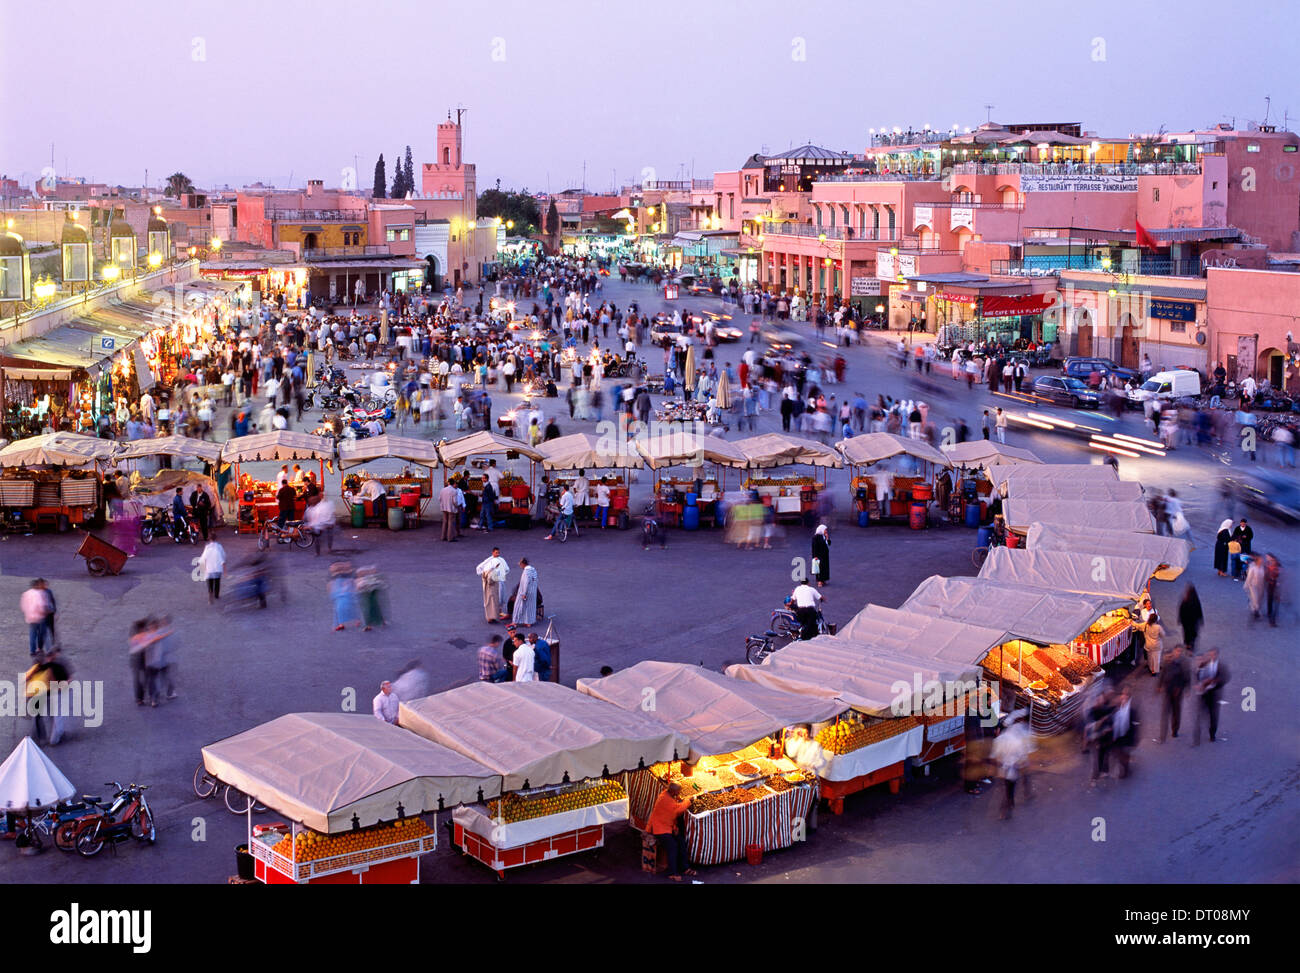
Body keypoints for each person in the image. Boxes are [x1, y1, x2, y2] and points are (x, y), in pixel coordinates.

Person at [646, 782, 696, 881]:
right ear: (673, 791)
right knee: (672, 846)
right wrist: (688, 801)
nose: (679, 793)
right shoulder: (665, 799)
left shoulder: (667, 794)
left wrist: (674, 828)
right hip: (659, 828)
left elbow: (671, 814)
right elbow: (678, 810)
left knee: (681, 841)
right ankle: (672, 873)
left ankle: (685, 868)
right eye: (678, 792)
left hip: (668, 826)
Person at [991, 712, 1033, 819]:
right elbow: (1022, 754)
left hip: (1005, 769)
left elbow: (994, 756)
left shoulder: (999, 740)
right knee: (1010, 788)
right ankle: (1010, 804)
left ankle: (1007, 807)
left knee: (1007, 789)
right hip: (1013, 768)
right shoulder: (1017, 737)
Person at [1192, 648, 1230, 745]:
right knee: (1198, 716)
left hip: (1214, 696)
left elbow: (1226, 677)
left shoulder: (1221, 666)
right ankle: (1196, 738)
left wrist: (1215, 681)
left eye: (1213, 654)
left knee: (1213, 717)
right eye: (1210, 654)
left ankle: (1212, 734)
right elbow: (1197, 676)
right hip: (1202, 695)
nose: (1211, 656)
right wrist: (1197, 685)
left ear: (1217, 655)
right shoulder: (1204, 664)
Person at [1155, 644, 1190, 742]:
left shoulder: (1184, 663)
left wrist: (1183, 688)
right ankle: (1162, 735)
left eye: (1180, 651)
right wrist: (1159, 685)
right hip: (1168, 690)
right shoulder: (1168, 661)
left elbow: (1186, 678)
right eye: (1177, 651)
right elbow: (1163, 674)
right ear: (1174, 651)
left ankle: (1175, 730)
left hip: (1177, 693)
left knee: (1176, 712)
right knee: (1165, 712)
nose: (1178, 653)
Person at [1108, 687, 1139, 778]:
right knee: (1118, 752)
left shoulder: (1132, 709)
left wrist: (1134, 740)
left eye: (1125, 695)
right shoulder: (1118, 704)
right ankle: (1124, 767)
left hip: (1126, 736)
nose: (1123, 696)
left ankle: (1125, 770)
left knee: (1123, 754)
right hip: (1118, 734)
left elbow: (1134, 726)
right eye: (1123, 694)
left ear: (1129, 697)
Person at [476, 547, 510, 623]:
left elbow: (506, 569)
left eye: (498, 552)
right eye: (496, 552)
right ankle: (491, 617)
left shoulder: (501, 560)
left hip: (499, 582)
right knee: (491, 601)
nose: (497, 554)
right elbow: (481, 569)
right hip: (491, 586)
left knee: (500, 598)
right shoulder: (489, 562)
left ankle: (498, 612)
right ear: (493, 553)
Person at [20, 579, 51, 657]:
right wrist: (45, 612)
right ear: (36, 585)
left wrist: (27, 613)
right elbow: (41, 605)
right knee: (43, 633)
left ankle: (32, 651)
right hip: (40, 617)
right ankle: (43, 649)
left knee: (32, 635)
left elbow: (23, 606)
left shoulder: (25, 594)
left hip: (30, 618)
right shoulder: (40, 593)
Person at [329, 562, 361, 632]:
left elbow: (354, 582)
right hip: (340, 593)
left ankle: (357, 620)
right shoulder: (337, 575)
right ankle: (340, 624)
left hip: (346, 593)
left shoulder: (349, 574)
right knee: (338, 609)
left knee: (350, 607)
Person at [355, 565, 387, 631]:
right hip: (365, 595)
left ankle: (378, 622)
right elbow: (358, 587)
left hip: (371, 594)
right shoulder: (361, 579)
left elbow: (381, 584)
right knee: (368, 609)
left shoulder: (373, 578)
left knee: (374, 608)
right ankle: (368, 624)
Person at [198, 533, 226, 604]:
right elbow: (223, 556)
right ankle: (216, 595)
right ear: (216, 539)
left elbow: (203, 558)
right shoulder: (219, 546)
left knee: (209, 582)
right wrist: (225, 568)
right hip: (217, 569)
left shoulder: (207, 547)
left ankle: (210, 592)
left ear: (209, 539)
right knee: (217, 582)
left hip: (209, 569)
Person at [511, 558, 539, 627]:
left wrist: (524, 593)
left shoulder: (526, 572)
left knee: (519, 606)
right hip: (532, 591)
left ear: (523, 564)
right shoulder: (533, 570)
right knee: (530, 607)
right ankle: (528, 622)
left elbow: (525, 583)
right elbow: (536, 581)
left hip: (525, 592)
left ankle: (515, 622)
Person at [1142, 610, 1165, 676]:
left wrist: (1132, 622)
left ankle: (1151, 668)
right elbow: (1163, 635)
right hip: (1157, 645)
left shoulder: (1145, 625)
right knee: (1156, 658)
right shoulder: (1158, 627)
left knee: (1150, 657)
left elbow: (1137, 626)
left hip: (1148, 645)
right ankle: (1154, 671)